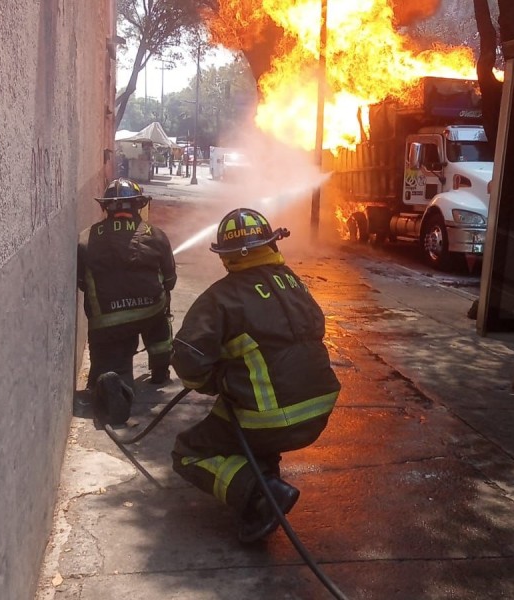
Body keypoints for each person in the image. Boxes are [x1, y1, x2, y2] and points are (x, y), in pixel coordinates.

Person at [170, 208, 341, 543]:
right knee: (241, 416)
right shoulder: (295, 282)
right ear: (271, 243)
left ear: (226, 256)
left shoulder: (220, 297)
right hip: (319, 411)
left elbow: (188, 359)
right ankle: (265, 482)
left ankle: (262, 495)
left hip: (270, 419)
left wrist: (214, 380)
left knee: (188, 451)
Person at [77, 178, 177, 425]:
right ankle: (160, 370)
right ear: (138, 205)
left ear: (106, 207)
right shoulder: (156, 235)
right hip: (150, 311)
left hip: (107, 321)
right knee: (161, 325)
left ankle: (114, 380)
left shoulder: (86, 238)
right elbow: (170, 280)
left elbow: (81, 282)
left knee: (112, 361)